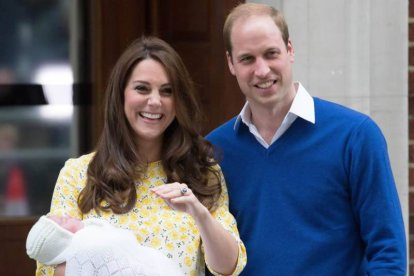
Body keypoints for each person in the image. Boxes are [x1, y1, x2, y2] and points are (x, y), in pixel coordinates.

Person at [206, 3, 406, 275]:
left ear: (290, 49)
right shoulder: (214, 150)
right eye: (247, 59)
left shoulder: (356, 136)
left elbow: (388, 251)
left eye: (271, 53)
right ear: (231, 63)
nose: (262, 70)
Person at [36, 36, 246, 276]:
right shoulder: (78, 175)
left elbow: (229, 266)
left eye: (167, 91)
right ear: (121, 94)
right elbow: (49, 267)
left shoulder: (202, 173)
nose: (155, 101)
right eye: (142, 88)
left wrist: (198, 212)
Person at [26, 215, 183, 275]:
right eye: (63, 221)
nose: (66, 215)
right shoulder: (86, 246)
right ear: (61, 238)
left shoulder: (92, 232)